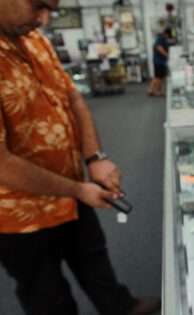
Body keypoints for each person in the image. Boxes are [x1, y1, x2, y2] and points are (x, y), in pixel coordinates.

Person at [0, 0, 160, 314]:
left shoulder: (34, 37)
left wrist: (94, 157)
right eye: (38, 6)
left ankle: (120, 307)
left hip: (73, 191)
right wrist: (77, 189)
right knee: (46, 294)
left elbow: (72, 95)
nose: (44, 19)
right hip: (20, 216)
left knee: (93, 259)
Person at [147, 27, 171, 96]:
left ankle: (150, 90)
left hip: (157, 60)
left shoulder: (159, 37)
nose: (168, 38)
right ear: (166, 34)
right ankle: (159, 91)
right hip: (159, 60)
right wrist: (166, 54)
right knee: (159, 77)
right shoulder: (161, 38)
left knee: (157, 76)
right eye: (168, 36)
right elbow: (159, 47)